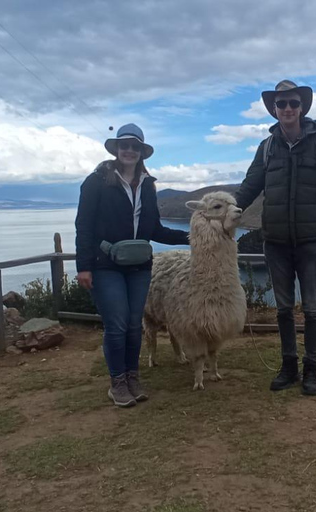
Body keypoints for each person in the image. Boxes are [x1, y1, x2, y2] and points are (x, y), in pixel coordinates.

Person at [235, 80, 316, 396]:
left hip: (312, 241)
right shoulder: (267, 148)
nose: (287, 109)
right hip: (277, 242)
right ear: (274, 109)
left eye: (292, 104)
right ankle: (288, 366)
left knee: (312, 309)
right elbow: (249, 187)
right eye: (281, 104)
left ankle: (311, 369)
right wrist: (225, 211)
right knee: (283, 309)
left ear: (302, 108)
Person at [75, 123, 190, 407]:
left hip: (139, 266)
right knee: (116, 325)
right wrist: (84, 266)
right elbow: (84, 226)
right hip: (106, 265)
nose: (129, 151)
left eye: (135, 147)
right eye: (124, 146)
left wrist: (195, 235)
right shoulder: (97, 182)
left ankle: (132, 376)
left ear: (141, 152)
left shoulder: (148, 187)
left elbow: (154, 230)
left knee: (133, 326)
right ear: (116, 149)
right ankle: (118, 381)